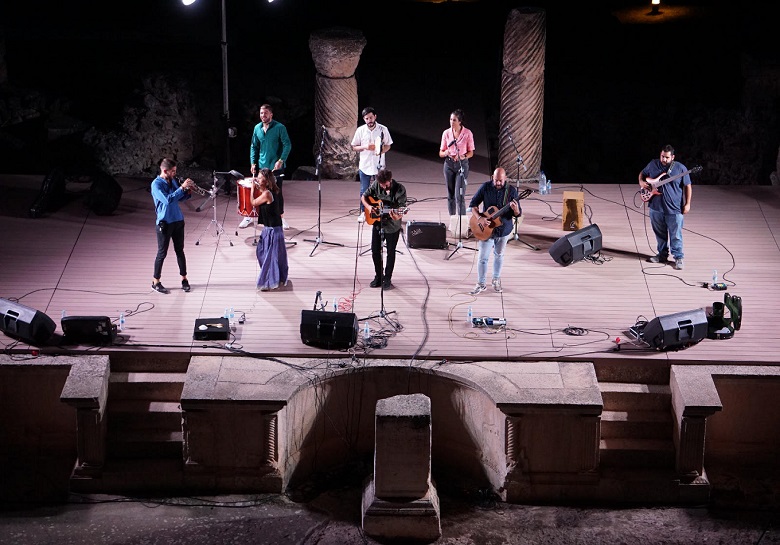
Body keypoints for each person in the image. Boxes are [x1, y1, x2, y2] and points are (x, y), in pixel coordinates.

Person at [467, 167, 521, 295]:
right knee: (482, 258)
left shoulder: (511, 191)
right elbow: (473, 205)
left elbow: (518, 214)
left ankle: (496, 280)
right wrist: (480, 218)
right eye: (496, 180)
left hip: (503, 230)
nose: (498, 183)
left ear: (505, 179)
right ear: (492, 177)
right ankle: (481, 283)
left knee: (499, 255)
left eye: (501, 180)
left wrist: (515, 209)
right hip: (486, 230)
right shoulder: (485, 187)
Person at [639, 144, 692, 271]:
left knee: (676, 235)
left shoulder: (680, 168)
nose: (664, 159)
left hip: (674, 209)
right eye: (662, 156)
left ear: (673, 157)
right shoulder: (653, 164)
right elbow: (643, 173)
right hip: (656, 207)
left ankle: (678, 257)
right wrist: (641, 182)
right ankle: (662, 255)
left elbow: (688, 186)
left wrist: (688, 204)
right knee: (659, 234)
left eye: (667, 157)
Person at [241, 104, 292, 230]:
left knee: (277, 192)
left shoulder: (280, 127)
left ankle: (281, 217)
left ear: (271, 114)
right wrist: (253, 163)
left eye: (265, 113)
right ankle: (250, 216)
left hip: (276, 166)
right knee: (260, 191)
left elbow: (287, 145)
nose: (263, 115)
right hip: (263, 166)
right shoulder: (257, 128)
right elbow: (254, 146)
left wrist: (281, 160)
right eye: (261, 113)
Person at [150, 158, 195, 294]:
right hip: (165, 223)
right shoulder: (156, 184)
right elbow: (167, 200)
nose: (175, 173)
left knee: (180, 251)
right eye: (173, 171)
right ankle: (156, 282)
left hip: (178, 220)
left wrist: (187, 191)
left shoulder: (173, 180)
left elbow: (180, 198)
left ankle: (184, 279)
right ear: (165, 171)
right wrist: (181, 188)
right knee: (162, 253)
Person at [360, 168, 407, 290]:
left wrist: (397, 216)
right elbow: (363, 197)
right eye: (381, 185)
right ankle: (379, 276)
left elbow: (401, 211)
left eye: (385, 184)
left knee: (390, 252)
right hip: (378, 224)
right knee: (375, 250)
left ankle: (388, 278)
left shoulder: (400, 189)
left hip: (392, 226)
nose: (383, 187)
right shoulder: (376, 184)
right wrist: (369, 207)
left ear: (390, 180)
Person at [351, 106, 393, 222]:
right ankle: (363, 212)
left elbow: (388, 145)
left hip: (379, 165)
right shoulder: (360, 130)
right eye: (366, 118)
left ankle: (382, 212)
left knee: (381, 189)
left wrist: (380, 150)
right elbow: (354, 147)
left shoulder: (383, 129)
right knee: (364, 190)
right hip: (365, 165)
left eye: (370, 118)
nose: (369, 120)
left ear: (375, 117)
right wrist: (365, 147)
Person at [251, 168, 289, 291]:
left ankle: (269, 281)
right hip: (274, 228)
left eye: (260, 178)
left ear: (266, 181)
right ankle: (277, 278)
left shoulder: (267, 194)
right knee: (269, 256)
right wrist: (258, 186)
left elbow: (253, 202)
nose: (257, 179)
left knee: (269, 258)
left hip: (272, 230)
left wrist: (252, 189)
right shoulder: (273, 190)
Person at [438, 108, 475, 217]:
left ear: (460, 121)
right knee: (450, 195)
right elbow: (441, 152)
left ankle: (462, 221)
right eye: (450, 119)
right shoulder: (446, 133)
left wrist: (464, 156)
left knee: (460, 195)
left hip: (461, 165)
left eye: (454, 120)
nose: (451, 122)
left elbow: (471, 152)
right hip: (449, 165)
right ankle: (453, 219)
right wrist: (446, 152)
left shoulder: (467, 133)